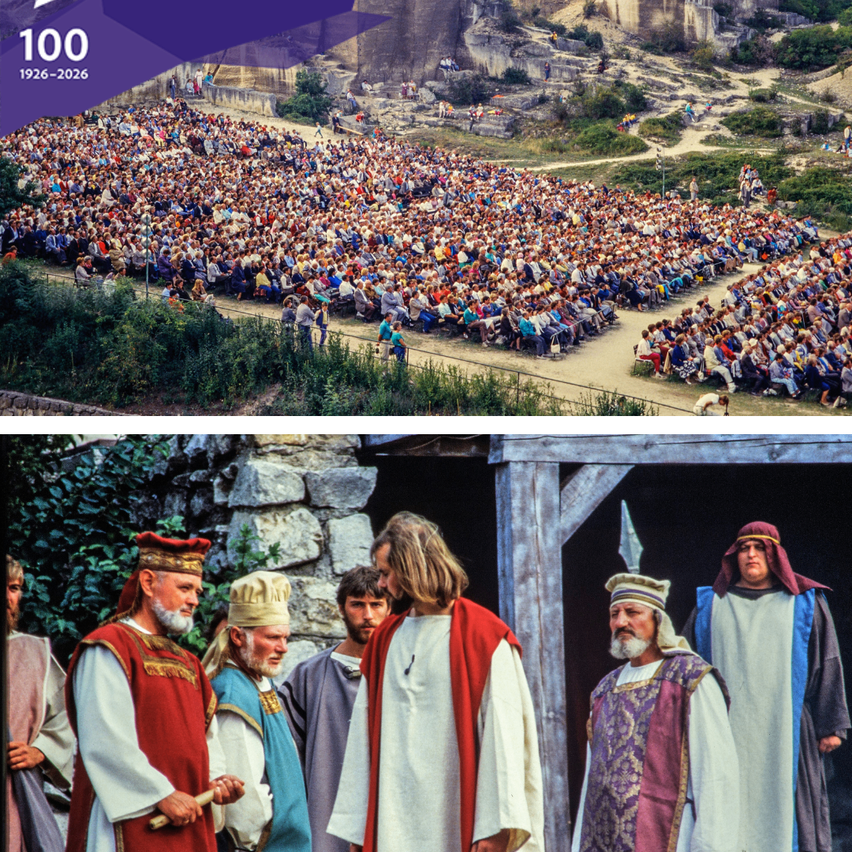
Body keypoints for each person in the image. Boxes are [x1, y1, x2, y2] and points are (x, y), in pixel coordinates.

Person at [327, 512, 544, 852]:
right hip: (393, 821)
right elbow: (362, 742)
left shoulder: (485, 637)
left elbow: (504, 739)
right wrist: (359, 831)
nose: (381, 584)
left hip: (457, 819)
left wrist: (497, 828)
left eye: (385, 573)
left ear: (411, 565)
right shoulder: (386, 639)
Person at [64, 532, 245, 852]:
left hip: (188, 816)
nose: (194, 600)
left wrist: (215, 781)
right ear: (148, 583)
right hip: (131, 818)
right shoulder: (109, 648)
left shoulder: (190, 663)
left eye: (197, 591)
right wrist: (160, 794)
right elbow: (104, 739)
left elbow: (206, 741)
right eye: (185, 588)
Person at [684, 522, 850, 852]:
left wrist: (831, 723)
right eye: (743, 548)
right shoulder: (711, 608)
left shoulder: (803, 605)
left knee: (790, 813)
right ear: (734, 557)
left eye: (759, 548)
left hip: (785, 731)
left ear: (775, 556)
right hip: (726, 733)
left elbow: (828, 660)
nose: (751, 555)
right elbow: (684, 666)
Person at [571, 573, 739, 852]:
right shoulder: (603, 691)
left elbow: (716, 777)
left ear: (657, 620)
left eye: (632, 612)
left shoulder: (690, 679)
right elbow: (592, 783)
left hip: (670, 837)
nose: (620, 622)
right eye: (615, 614)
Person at [280, 567, 390, 852]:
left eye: (376, 604)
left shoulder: (403, 672)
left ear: (389, 608)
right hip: (325, 823)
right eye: (357, 604)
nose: (368, 615)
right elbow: (286, 762)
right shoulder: (308, 676)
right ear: (341, 608)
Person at [202, 572, 312, 852]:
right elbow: (244, 793)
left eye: (286, 637)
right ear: (238, 636)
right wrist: (252, 842)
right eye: (273, 637)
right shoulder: (232, 691)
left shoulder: (259, 678)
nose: (283, 648)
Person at [7, 555, 75, 852]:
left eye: (13, 587)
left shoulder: (34, 654)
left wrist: (40, 751)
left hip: (14, 797)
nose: (8, 596)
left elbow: (66, 720)